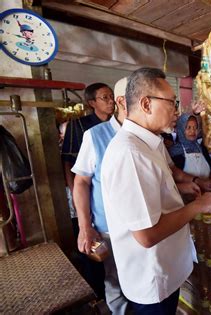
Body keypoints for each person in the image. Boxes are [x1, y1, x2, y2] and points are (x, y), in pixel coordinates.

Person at [100, 67, 211, 314]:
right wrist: (198, 206)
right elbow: (146, 235)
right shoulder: (130, 153)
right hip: (151, 278)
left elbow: (161, 183)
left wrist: (190, 186)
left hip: (166, 268)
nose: (176, 111)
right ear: (146, 104)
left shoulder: (150, 142)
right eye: (171, 103)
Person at [71, 77, 129, 314]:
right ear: (123, 102)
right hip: (110, 227)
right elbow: (81, 182)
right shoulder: (95, 135)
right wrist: (85, 226)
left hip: (146, 225)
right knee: (115, 280)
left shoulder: (147, 136)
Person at [62, 82, 115, 228]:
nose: (111, 101)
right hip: (85, 183)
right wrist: (74, 191)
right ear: (92, 103)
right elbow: (67, 160)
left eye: (112, 96)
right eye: (105, 97)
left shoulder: (116, 126)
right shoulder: (78, 125)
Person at [169, 113, 211, 180]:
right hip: (188, 190)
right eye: (188, 128)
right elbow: (175, 178)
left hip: (209, 189)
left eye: (195, 127)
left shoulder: (201, 149)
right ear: (181, 130)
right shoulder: (175, 151)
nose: (192, 131)